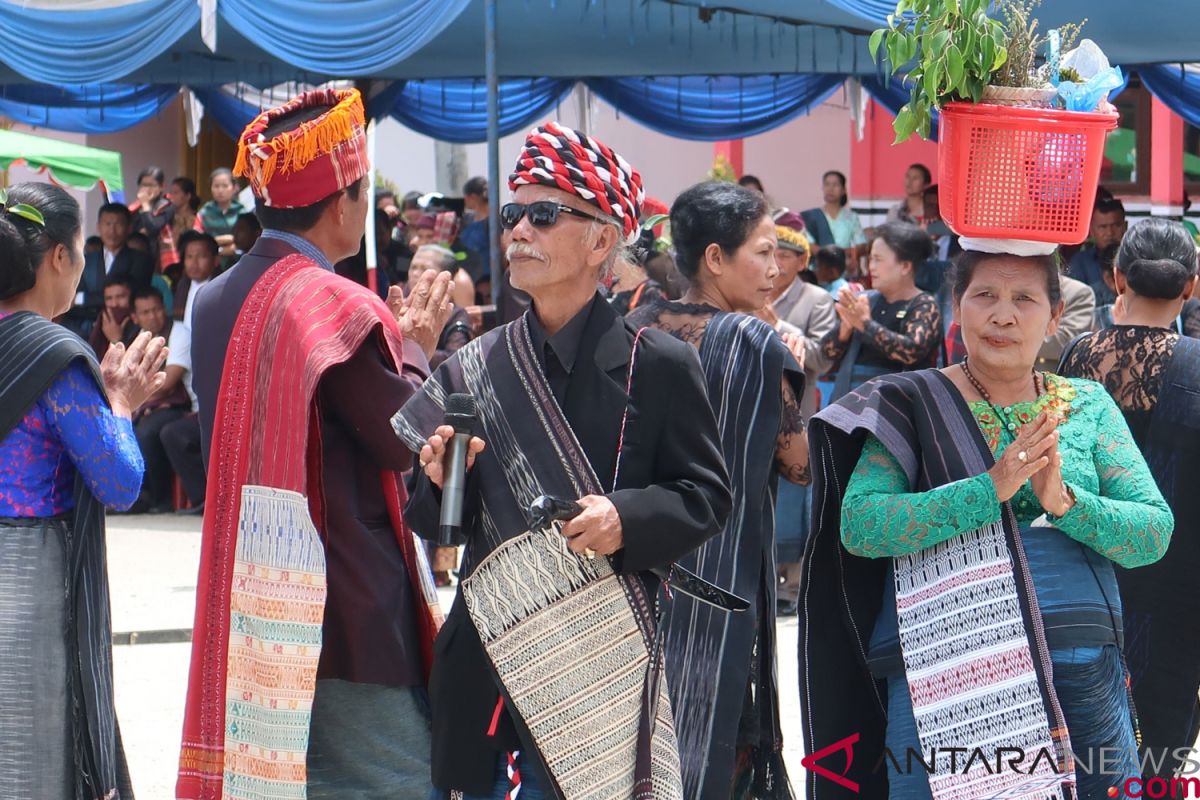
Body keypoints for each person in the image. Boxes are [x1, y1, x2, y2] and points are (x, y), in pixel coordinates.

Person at [394, 122, 731, 800]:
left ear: (602, 240)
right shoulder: (475, 366)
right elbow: (441, 529)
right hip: (488, 658)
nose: (518, 231)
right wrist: (436, 483)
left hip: (599, 665)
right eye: (515, 214)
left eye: (543, 215)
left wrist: (624, 517)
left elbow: (706, 495)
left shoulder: (658, 362)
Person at [800, 246, 1173, 799]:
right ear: (957, 306)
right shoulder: (912, 403)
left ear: (1053, 316)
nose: (1003, 315)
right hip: (941, 671)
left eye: (1025, 299)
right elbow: (861, 524)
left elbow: (1152, 532)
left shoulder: (1087, 404)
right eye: (985, 296)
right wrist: (987, 491)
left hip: (1078, 667)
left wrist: (1066, 501)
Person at [178, 88, 454, 800]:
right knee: (387, 782)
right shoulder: (333, 302)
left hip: (251, 591)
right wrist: (419, 350)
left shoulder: (208, 299)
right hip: (347, 600)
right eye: (362, 194)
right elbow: (404, 439)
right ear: (342, 202)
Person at [624, 181, 807, 799]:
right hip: (722, 576)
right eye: (762, 251)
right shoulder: (755, 342)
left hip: (636, 566)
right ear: (714, 258)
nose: (775, 269)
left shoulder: (629, 329)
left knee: (639, 737)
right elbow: (801, 465)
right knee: (719, 744)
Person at [0, 181, 167, 799]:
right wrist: (121, 403)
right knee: (30, 757)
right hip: (27, 581)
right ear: (59, 259)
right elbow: (119, 481)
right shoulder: (53, 355)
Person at [1059, 218, 1200, 783]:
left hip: (1088, 573)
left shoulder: (1077, 358)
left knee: (1084, 737)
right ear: (1190, 287)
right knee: (1163, 739)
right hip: (1178, 583)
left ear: (1117, 278)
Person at [758, 214, 835, 617]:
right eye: (772, 253)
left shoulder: (817, 300)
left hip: (797, 409)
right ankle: (769, 579)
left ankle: (794, 585)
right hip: (757, 405)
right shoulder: (754, 288)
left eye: (786, 254)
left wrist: (779, 324)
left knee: (795, 497)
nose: (778, 262)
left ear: (802, 260)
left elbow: (822, 355)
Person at [820, 221, 941, 403]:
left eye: (878, 259)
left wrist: (865, 325)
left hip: (896, 411)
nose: (871, 267)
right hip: (848, 405)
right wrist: (845, 330)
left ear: (905, 266)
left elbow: (912, 351)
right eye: (870, 259)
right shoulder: (864, 300)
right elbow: (827, 352)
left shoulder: (924, 305)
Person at [126, 286, 190, 513]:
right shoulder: (137, 338)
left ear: (165, 308)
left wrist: (135, 399)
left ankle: (160, 499)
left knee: (147, 431)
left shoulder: (178, 331)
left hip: (180, 405)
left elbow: (169, 382)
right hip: (146, 404)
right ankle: (135, 497)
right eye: (145, 312)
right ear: (135, 316)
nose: (153, 316)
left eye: (156, 310)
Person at [64, 202, 154, 338]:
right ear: (98, 227)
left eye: (118, 224)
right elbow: (71, 300)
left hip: (125, 329)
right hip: (87, 329)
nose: (112, 231)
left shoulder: (141, 260)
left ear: (129, 228)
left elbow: (131, 296)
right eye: (107, 224)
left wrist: (81, 298)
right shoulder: (85, 260)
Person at [1069, 195, 1126, 305]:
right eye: (1102, 227)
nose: (1110, 233)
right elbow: (1076, 303)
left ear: (1125, 226)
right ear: (1091, 230)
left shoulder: (1137, 258)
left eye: (1116, 225)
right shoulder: (1080, 262)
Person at [1036, 268, 1095, 370]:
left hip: (1052, 381)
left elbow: (1066, 341)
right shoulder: (1006, 288)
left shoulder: (1078, 292)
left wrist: (1014, 339)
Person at [801, 170, 866, 259]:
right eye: (827, 184)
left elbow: (861, 245)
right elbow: (807, 243)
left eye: (835, 185)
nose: (830, 189)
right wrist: (827, 255)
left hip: (843, 267)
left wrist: (843, 253)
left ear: (843, 190)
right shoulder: (812, 216)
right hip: (818, 268)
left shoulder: (851, 217)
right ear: (823, 188)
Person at [195, 167, 246, 270]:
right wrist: (221, 247)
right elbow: (197, 240)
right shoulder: (204, 213)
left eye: (225, 186)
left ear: (234, 187)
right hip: (210, 264)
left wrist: (234, 247)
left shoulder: (243, 212)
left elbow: (248, 242)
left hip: (239, 264)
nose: (220, 190)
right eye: (216, 186)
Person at [129, 166, 177, 274]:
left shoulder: (168, 205)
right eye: (144, 185)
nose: (147, 189)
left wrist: (146, 205)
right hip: (137, 257)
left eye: (152, 185)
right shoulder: (134, 208)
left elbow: (153, 228)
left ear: (161, 187)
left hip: (158, 259)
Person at [87, 274, 138, 359]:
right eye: (109, 298)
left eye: (121, 297)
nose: (114, 304)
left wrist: (117, 340)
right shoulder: (103, 320)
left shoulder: (139, 322)